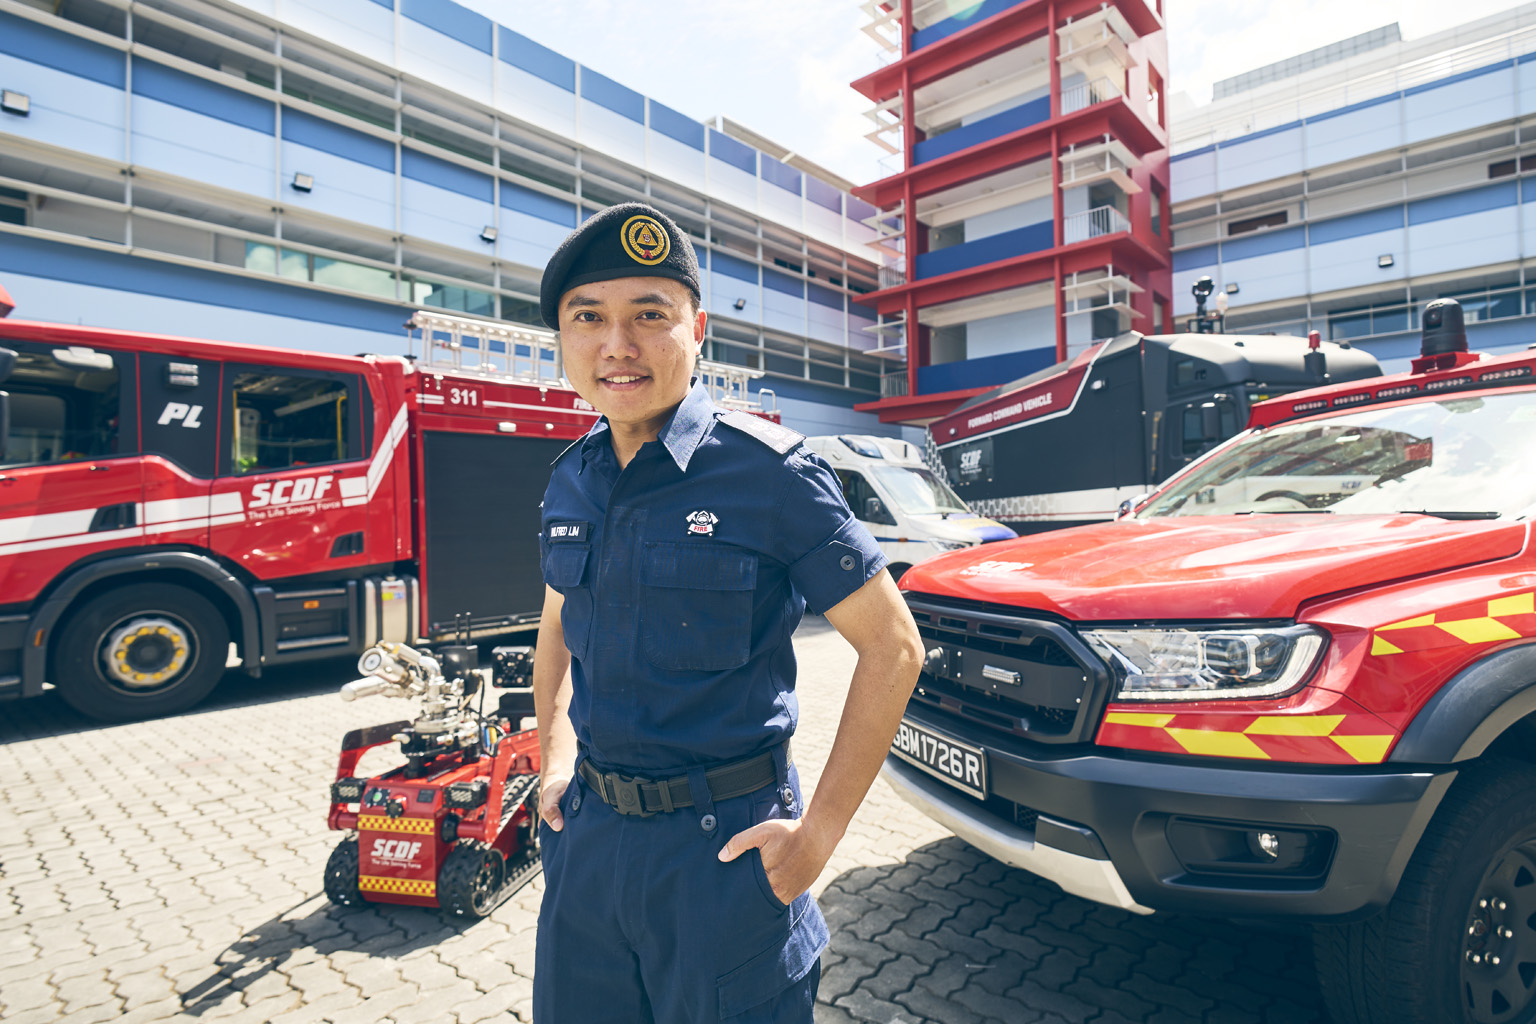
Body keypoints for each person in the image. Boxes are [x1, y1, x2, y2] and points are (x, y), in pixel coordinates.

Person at [530, 201, 924, 1023]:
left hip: (725, 855)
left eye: (649, 315)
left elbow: (893, 647)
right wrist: (555, 759)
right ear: (563, 340)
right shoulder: (573, 476)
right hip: (589, 845)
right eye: (589, 319)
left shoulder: (773, 474)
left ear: (697, 328)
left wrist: (816, 838)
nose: (618, 345)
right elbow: (558, 629)